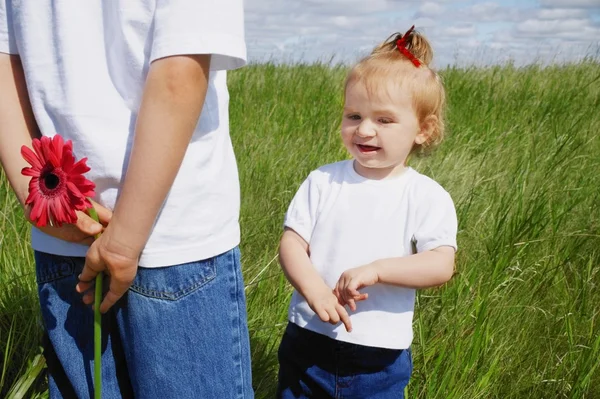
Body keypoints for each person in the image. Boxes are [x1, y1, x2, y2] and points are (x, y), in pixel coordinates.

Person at [0, 1, 253, 398]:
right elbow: (179, 72)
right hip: (170, 236)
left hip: (64, 233)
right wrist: (123, 242)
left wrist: (40, 201)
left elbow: (3, 66)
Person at [276, 26, 458, 398]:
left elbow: (440, 264)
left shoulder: (425, 195)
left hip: (379, 356)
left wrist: (377, 269)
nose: (365, 130)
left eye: (384, 120)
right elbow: (291, 245)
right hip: (309, 338)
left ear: (423, 129)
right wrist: (315, 291)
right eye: (354, 116)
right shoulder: (323, 180)